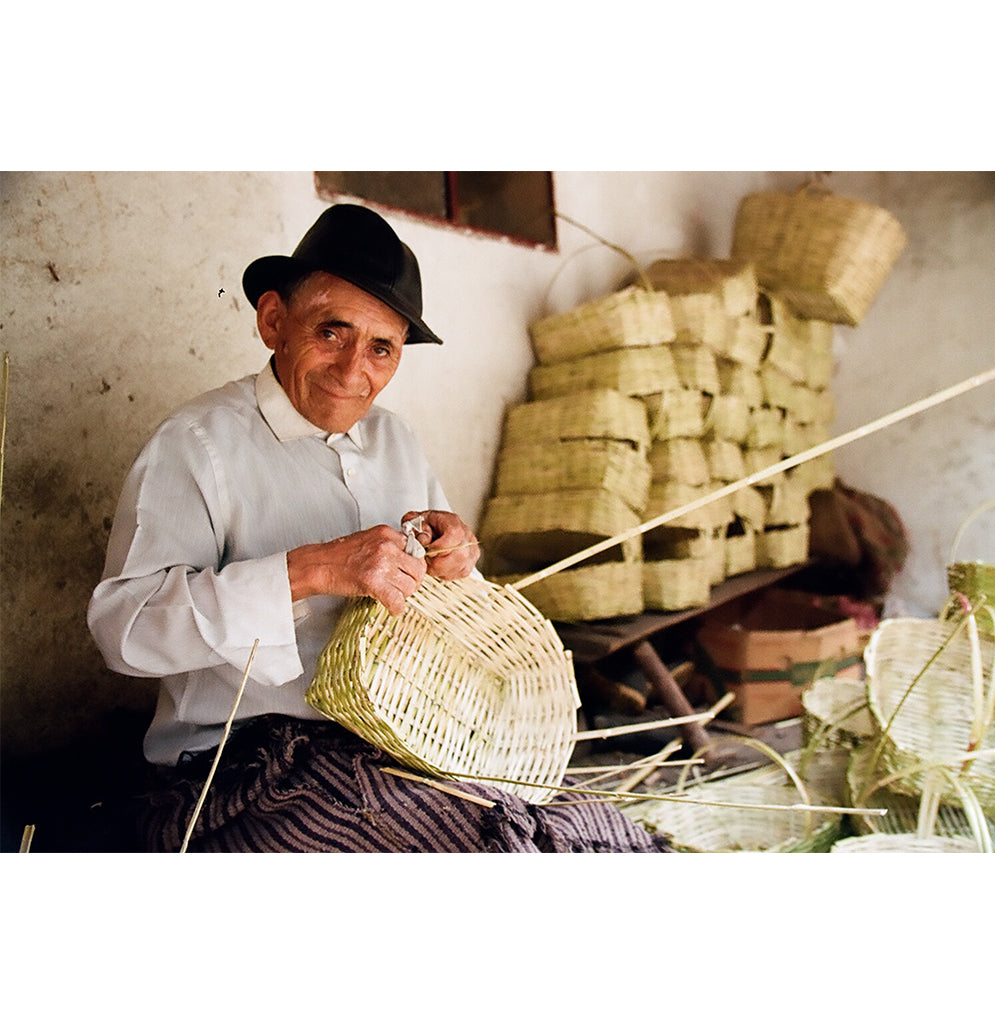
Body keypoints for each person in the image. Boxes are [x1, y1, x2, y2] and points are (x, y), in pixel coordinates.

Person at [88, 204, 671, 853]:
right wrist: (311, 570)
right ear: (275, 321)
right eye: (331, 332)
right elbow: (125, 631)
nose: (352, 370)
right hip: (244, 763)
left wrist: (457, 561)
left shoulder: (395, 441)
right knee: (478, 849)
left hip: (398, 737)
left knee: (596, 832)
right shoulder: (197, 445)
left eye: (380, 347)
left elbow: (444, 596)